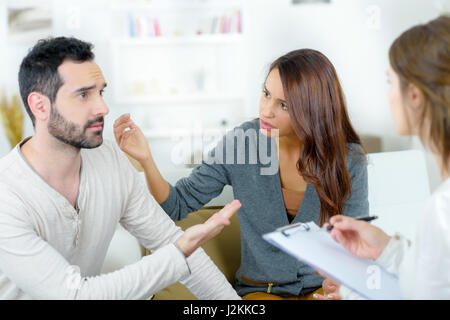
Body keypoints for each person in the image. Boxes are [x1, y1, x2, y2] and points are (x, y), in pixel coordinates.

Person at [114, 49, 369, 299]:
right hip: (262, 290)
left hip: (322, 291)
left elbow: (357, 240)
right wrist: (146, 160)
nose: (266, 111)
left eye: (284, 105)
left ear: (313, 110)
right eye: (266, 93)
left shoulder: (349, 159)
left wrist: (341, 286)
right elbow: (176, 205)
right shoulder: (242, 143)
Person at [0, 36, 242, 300]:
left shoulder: (109, 160)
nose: (102, 108)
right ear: (40, 105)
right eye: (83, 94)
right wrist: (177, 254)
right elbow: (75, 296)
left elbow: (170, 241)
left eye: (100, 92)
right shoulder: (7, 195)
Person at [318, 15, 450, 300]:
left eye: (390, 82)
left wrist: (354, 293)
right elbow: (437, 274)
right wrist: (387, 249)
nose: (388, 94)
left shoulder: (441, 211)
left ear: (414, 95)